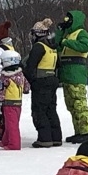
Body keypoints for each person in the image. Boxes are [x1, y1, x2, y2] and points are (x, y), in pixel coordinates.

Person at [24, 18, 64, 148]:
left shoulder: (39, 47)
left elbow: (30, 66)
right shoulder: (52, 47)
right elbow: (58, 65)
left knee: (39, 110)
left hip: (41, 82)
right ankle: (56, 137)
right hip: (52, 80)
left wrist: (31, 81)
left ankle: (44, 138)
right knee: (51, 109)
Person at [58, 8, 88, 142]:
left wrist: (66, 42)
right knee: (71, 105)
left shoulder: (81, 33)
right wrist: (60, 31)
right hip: (67, 73)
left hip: (76, 73)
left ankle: (87, 131)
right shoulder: (67, 35)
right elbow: (57, 45)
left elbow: (84, 46)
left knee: (80, 103)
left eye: (69, 19)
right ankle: (79, 130)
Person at [0, 47, 28, 150]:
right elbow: (27, 88)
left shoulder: (5, 77)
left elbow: (0, 91)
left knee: (11, 125)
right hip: (18, 104)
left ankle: (14, 144)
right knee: (11, 123)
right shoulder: (21, 75)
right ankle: (6, 140)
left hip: (8, 104)